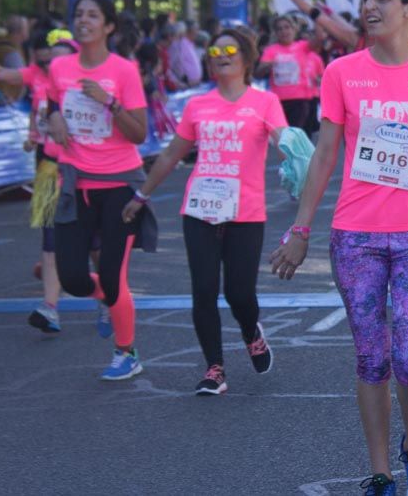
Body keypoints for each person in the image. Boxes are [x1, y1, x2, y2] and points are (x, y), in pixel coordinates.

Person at [270, 0, 408, 496]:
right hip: (355, 235)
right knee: (371, 356)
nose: (369, 7)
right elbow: (324, 156)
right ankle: (381, 473)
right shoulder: (342, 72)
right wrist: (300, 230)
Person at [122, 28, 286, 395]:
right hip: (199, 209)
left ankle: (250, 332)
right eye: (214, 51)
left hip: (246, 211)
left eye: (229, 50)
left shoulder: (264, 102)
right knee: (204, 289)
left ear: (246, 58)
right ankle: (215, 369)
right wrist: (142, 195)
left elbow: (285, 142)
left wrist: (299, 165)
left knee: (239, 294)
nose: (221, 56)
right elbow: (171, 154)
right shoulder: (198, 105)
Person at [46, 0, 154, 379]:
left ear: (108, 26)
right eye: (79, 14)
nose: (84, 21)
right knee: (73, 279)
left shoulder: (123, 71)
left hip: (120, 183)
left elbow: (139, 134)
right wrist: (53, 118)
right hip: (75, 182)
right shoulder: (59, 67)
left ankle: (126, 352)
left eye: (93, 15)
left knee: (112, 276)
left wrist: (109, 102)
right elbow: (50, 103)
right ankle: (114, 300)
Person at [0, 30, 78, 332]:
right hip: (48, 164)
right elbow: (5, 76)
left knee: (89, 241)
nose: (50, 66)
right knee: (50, 237)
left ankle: (107, 300)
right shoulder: (36, 76)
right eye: (45, 60)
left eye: (57, 60)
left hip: (83, 167)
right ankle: (50, 307)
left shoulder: (85, 84)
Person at [255, 15, 314, 128]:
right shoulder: (271, 50)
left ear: (294, 29)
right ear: (276, 33)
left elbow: (320, 39)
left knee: (295, 133)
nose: (284, 31)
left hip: (300, 100)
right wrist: (268, 65)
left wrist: (314, 17)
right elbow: (258, 73)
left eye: (287, 27)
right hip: (279, 101)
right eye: (280, 29)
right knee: (282, 134)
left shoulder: (303, 46)